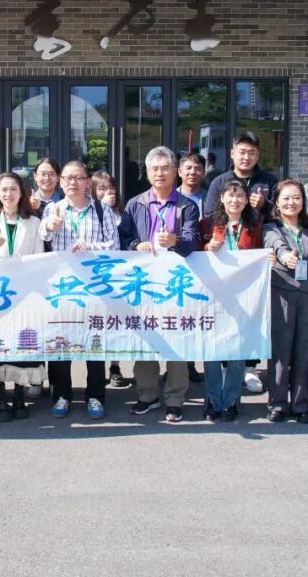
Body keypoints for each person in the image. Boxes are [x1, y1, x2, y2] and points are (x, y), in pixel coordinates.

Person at [119, 146, 200, 423]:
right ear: (147, 172)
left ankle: (175, 398)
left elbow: (193, 241)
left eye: (165, 168)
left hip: (175, 283)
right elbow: (122, 239)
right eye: (155, 168)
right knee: (146, 337)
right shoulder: (135, 204)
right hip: (144, 283)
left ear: (175, 171)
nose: (160, 173)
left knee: (176, 338)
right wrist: (135, 244)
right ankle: (148, 394)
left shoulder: (187, 206)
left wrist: (176, 241)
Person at [40, 160, 120, 419]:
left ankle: (95, 395)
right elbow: (43, 237)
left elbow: (115, 245)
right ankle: (61, 395)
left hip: (94, 288)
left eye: (78, 178)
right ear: (61, 182)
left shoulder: (102, 210)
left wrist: (91, 248)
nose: (72, 183)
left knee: (94, 343)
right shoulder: (53, 208)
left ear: (87, 182)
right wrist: (49, 227)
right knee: (61, 343)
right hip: (62, 289)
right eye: (67, 178)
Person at [203, 132, 277, 395]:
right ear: (232, 153)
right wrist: (212, 242)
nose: (246, 157)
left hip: (252, 259)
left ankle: (249, 367)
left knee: (251, 314)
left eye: (251, 153)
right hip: (223, 263)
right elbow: (210, 216)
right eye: (242, 152)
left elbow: (277, 216)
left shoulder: (268, 181)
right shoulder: (218, 181)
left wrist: (264, 205)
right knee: (224, 316)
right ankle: (225, 365)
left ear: (258, 155)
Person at [0, 172, 45, 422]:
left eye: (13, 189)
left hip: (25, 294)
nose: (8, 194)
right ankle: (1, 399)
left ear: (21, 192)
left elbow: (39, 260)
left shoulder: (33, 222)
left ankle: (19, 397)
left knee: (22, 345)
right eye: (3, 189)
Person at [263, 178, 308, 423]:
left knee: (304, 353)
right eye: (286, 198)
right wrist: (284, 257)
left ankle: (301, 404)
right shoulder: (271, 229)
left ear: (303, 202)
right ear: (277, 203)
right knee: (280, 353)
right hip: (281, 296)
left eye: (296, 198)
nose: (291, 202)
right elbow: (276, 246)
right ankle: (277, 403)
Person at [202, 180, 263, 421]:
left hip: (244, 298)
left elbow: (260, 256)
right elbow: (194, 252)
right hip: (213, 297)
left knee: (237, 353)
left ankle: (231, 401)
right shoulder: (208, 225)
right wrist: (207, 246)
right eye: (230, 195)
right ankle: (212, 400)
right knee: (212, 353)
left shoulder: (255, 226)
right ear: (221, 198)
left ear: (247, 200)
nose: (234, 200)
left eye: (240, 196)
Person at [91, 169, 128, 389]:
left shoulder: (121, 211)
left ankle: (115, 366)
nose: (108, 192)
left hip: (117, 275)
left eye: (111, 188)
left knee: (116, 324)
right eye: (102, 188)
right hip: (96, 275)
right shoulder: (93, 211)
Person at [176, 152, 207, 383]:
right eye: (188, 168)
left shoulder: (210, 198)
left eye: (197, 168)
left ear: (203, 172)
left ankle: (192, 362)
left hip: (204, 261)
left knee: (198, 314)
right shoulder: (172, 198)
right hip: (178, 263)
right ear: (179, 171)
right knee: (179, 315)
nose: (192, 172)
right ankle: (178, 364)